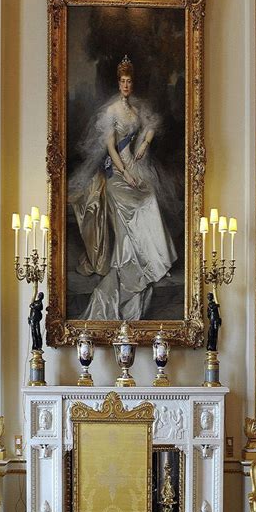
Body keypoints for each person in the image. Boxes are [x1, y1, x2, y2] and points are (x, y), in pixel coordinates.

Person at [69, 56, 177, 321]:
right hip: (117, 171)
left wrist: (144, 144)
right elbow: (110, 148)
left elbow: (151, 126)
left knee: (150, 199)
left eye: (130, 81)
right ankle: (138, 262)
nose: (127, 85)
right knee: (131, 212)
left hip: (136, 165)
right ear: (118, 83)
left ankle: (155, 261)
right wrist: (125, 174)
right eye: (123, 81)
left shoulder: (136, 109)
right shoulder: (112, 111)